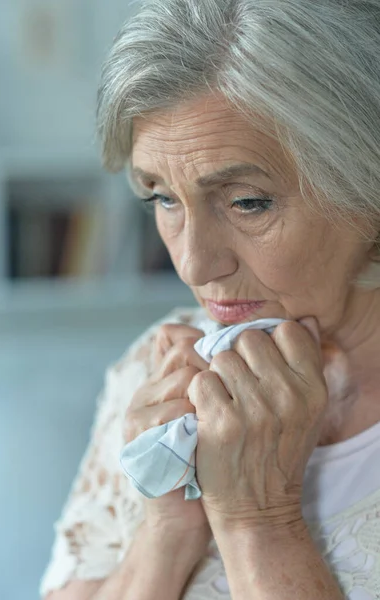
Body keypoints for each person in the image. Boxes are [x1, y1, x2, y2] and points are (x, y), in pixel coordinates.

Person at [41, 0, 380, 598]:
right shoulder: (156, 364)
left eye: (247, 201)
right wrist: (168, 526)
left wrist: (260, 523)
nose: (194, 264)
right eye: (162, 199)